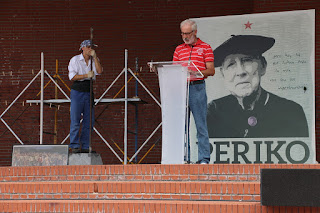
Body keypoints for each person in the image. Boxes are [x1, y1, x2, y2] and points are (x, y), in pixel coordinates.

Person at [207, 35, 309, 138]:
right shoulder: (214, 112)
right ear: (223, 74)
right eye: (231, 64)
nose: (240, 72)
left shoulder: (290, 112)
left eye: (247, 60)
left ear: (263, 66)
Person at [173, 19, 215, 164]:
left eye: (188, 33)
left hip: (197, 87)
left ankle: (203, 159)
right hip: (181, 89)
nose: (185, 36)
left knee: (200, 125)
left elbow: (211, 70)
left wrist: (195, 72)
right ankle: (185, 158)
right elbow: (174, 70)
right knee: (182, 126)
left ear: (195, 32)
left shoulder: (205, 47)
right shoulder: (178, 49)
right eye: (183, 33)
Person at [68, 40, 103, 153]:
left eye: (91, 47)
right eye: (88, 47)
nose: (90, 49)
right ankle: (74, 145)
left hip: (88, 90)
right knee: (75, 119)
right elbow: (72, 76)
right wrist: (86, 75)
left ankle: (85, 145)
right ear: (82, 48)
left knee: (89, 120)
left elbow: (99, 71)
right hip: (78, 90)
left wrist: (95, 57)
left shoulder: (94, 60)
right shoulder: (75, 60)